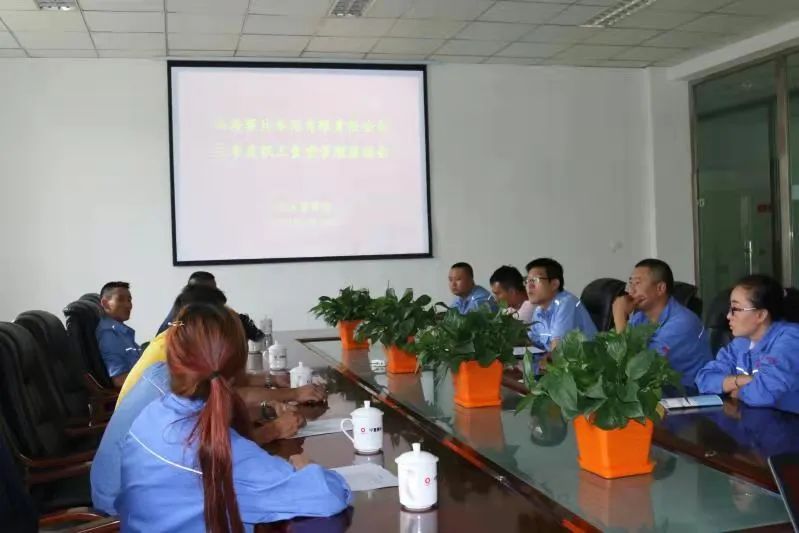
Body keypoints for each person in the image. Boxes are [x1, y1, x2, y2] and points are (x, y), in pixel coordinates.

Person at [115, 303, 351, 531]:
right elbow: (328, 496)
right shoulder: (220, 450)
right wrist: (307, 466)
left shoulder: (151, 414)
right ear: (237, 370)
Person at [117, 284, 323, 405]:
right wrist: (294, 394)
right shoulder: (173, 350)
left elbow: (224, 382)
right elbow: (229, 394)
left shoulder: (178, 336)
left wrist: (271, 379)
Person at [695, 274, 799, 413]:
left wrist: (736, 392)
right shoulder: (741, 342)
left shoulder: (791, 339)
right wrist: (740, 380)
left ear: (761, 315)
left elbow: (763, 394)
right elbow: (704, 378)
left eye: (735, 309)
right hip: (756, 419)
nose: (728, 316)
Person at [613, 259, 711, 390]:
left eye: (637, 283)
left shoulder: (682, 323)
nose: (631, 290)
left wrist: (619, 316)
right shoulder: (640, 318)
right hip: (657, 392)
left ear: (660, 288)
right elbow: (617, 360)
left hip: (689, 395)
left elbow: (639, 370)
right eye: (630, 283)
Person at [526, 258, 596, 353]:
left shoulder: (566, 303)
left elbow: (557, 352)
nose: (529, 285)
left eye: (535, 280)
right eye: (527, 281)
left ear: (554, 284)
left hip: (584, 361)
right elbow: (533, 342)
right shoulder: (539, 310)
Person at [96, 281, 142, 388]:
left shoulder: (121, 332)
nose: (128, 305)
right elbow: (120, 380)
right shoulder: (108, 334)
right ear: (105, 303)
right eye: (120, 299)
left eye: (129, 300)